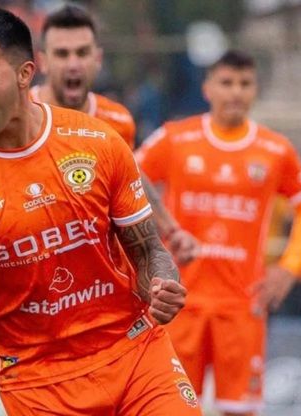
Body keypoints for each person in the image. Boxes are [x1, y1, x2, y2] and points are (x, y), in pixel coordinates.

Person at [0, 8, 202, 416]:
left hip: (133, 352)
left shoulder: (99, 140)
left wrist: (163, 285)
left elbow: (148, 252)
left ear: (25, 74)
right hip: (37, 381)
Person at [135, 50, 301, 416]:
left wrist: (289, 266)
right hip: (179, 302)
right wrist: (145, 251)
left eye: (244, 83)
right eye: (226, 82)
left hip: (242, 304)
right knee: (171, 407)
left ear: (255, 90)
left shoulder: (275, 149)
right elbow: (127, 177)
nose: (235, 92)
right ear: (207, 88)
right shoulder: (176, 138)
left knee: (239, 410)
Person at [32, 3, 198, 265]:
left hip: (102, 274)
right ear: (43, 61)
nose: (73, 64)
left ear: (97, 59)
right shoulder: (20, 118)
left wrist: (172, 231)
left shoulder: (117, 119)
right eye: (62, 54)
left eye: (82, 53)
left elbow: (132, 178)